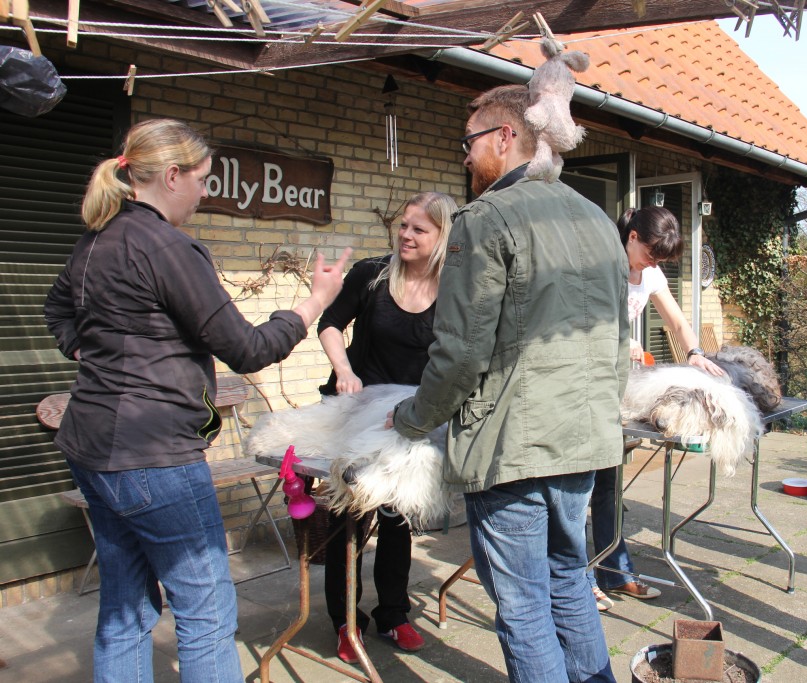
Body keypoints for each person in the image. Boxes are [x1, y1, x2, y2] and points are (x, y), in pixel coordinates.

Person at [43, 119, 350, 683]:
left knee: (125, 609)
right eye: (204, 179)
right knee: (207, 611)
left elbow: (57, 310)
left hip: (91, 449)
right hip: (152, 456)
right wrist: (315, 302)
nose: (206, 192)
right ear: (173, 175)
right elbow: (249, 349)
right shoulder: (169, 247)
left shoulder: (96, 240)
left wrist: (92, 354)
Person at [388, 84, 629, 683]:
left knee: (523, 606)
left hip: (511, 446)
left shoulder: (485, 218)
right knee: (569, 579)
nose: (464, 156)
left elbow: (460, 352)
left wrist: (412, 418)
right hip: (583, 437)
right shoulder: (598, 218)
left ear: (505, 137)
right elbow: (618, 338)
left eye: (469, 141)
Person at [317, 191, 457, 663]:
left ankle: (394, 614)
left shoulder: (455, 288)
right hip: (357, 412)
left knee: (398, 520)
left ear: (442, 237)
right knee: (348, 515)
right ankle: (345, 622)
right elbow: (331, 323)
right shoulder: (372, 275)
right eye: (403, 225)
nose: (406, 235)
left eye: (419, 229)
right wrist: (343, 369)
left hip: (409, 424)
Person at [588, 206, 725, 611]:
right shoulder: (600, 264)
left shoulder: (649, 273)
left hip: (617, 386)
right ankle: (578, 580)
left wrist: (695, 353)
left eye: (660, 260)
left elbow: (679, 323)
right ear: (631, 236)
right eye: (651, 254)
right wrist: (616, 341)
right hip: (586, 386)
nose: (654, 263)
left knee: (610, 483)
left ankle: (613, 571)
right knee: (579, 488)